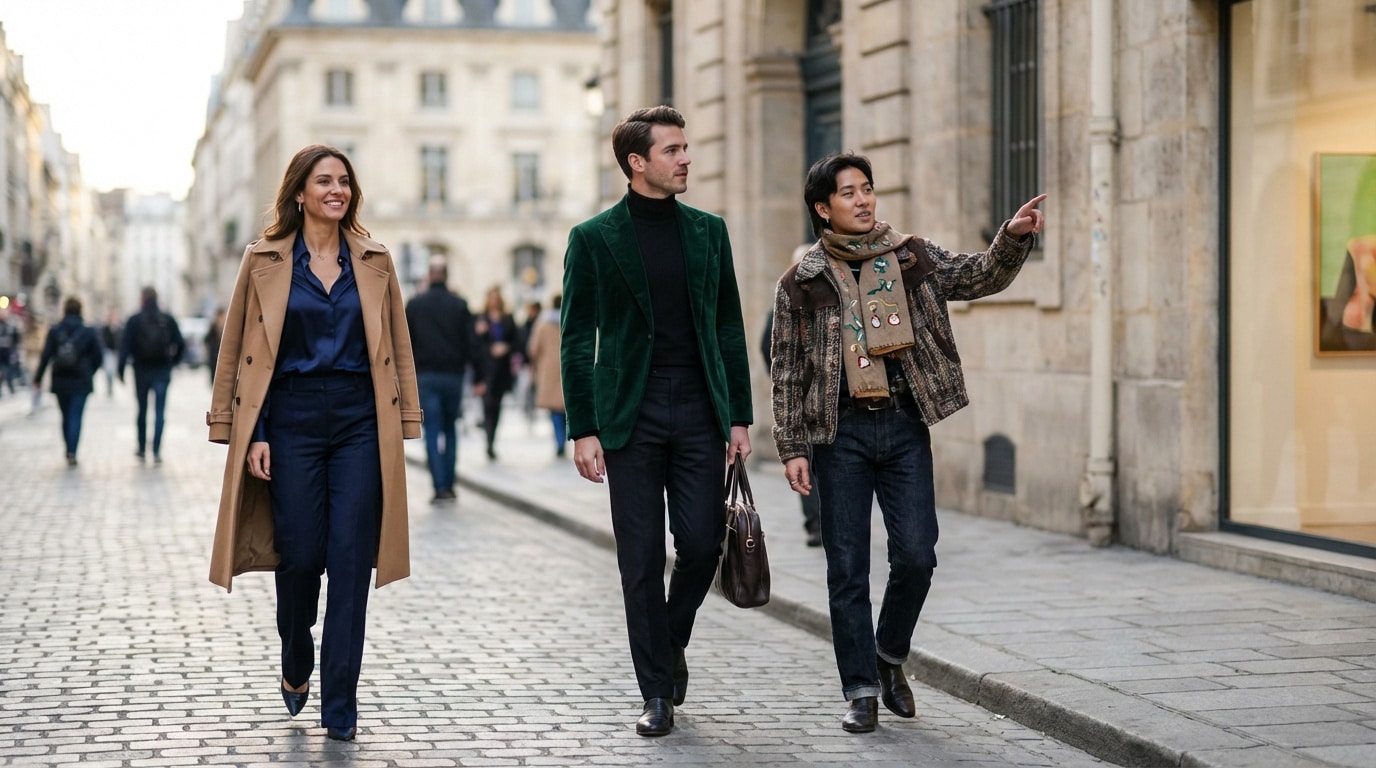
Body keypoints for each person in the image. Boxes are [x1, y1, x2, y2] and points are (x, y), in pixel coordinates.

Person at [769, 152, 1044, 733]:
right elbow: (789, 372)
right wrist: (792, 447)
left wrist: (1011, 240)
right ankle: (861, 690)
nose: (864, 200)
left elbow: (976, 276)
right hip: (838, 433)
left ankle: (889, 656)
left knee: (917, 555)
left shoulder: (911, 255)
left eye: (867, 189)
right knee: (847, 569)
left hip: (903, 424)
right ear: (823, 208)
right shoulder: (802, 281)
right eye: (849, 193)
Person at [205, 144, 422, 742]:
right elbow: (237, 349)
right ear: (299, 192)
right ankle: (296, 652)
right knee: (299, 557)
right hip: (292, 419)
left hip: (359, 420)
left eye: (345, 182)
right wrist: (249, 431)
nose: (337, 190)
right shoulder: (264, 259)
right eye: (324, 181)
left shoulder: (374, 259)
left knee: (351, 562)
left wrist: (406, 420)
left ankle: (340, 706)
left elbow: (398, 342)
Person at [561, 105, 753, 737]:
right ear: (636, 162)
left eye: (685, 148)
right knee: (639, 558)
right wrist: (582, 427)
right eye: (673, 151)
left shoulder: (708, 232)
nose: (686, 159)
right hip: (629, 415)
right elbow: (575, 337)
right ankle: (656, 693)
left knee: (701, 543)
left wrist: (740, 416)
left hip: (699, 407)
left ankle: (670, 641)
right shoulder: (593, 238)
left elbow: (728, 323)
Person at [405, 257, 484, 501]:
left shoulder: (415, 305)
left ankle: (439, 485)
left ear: (429, 276)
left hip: (426, 375)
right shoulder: (459, 305)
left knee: (432, 430)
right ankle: (449, 483)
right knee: (450, 429)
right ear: (447, 276)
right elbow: (472, 343)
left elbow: (405, 343)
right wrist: (478, 376)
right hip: (453, 375)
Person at [761, 244, 822, 547]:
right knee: (805, 462)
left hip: (829, 402)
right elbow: (769, 350)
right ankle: (815, 524)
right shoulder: (783, 304)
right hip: (802, 401)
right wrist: (789, 386)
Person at [32, 296, 104, 466]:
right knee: (76, 416)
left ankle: (68, 448)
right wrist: (89, 371)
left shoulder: (55, 331)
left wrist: (38, 378)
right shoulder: (88, 331)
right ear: (80, 310)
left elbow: (46, 356)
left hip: (61, 380)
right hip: (81, 381)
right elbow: (98, 357)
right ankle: (72, 451)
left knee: (65, 416)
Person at [117, 286, 185, 463]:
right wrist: (173, 362)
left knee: (142, 410)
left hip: (141, 370)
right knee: (160, 411)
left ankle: (141, 447)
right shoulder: (167, 319)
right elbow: (180, 343)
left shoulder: (134, 320)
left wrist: (121, 369)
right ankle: (155, 449)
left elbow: (125, 346)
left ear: (142, 299)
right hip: (162, 370)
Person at [474, 286, 517, 461]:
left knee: (496, 406)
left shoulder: (507, 319)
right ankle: (489, 442)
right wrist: (481, 335)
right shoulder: (481, 319)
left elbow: (517, 340)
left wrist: (505, 347)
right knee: (487, 405)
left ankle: (491, 438)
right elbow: (474, 346)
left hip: (502, 370)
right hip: (486, 370)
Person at [526, 294, 565, 457]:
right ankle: (565, 436)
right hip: (567, 367)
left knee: (554, 409)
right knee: (566, 406)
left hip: (548, 371)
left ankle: (559, 439)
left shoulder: (542, 324)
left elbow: (533, 348)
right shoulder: (570, 319)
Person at [205, 308, 225, 384]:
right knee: (213, 380)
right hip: (213, 358)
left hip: (222, 358)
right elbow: (206, 340)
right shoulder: (213, 328)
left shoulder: (226, 327)